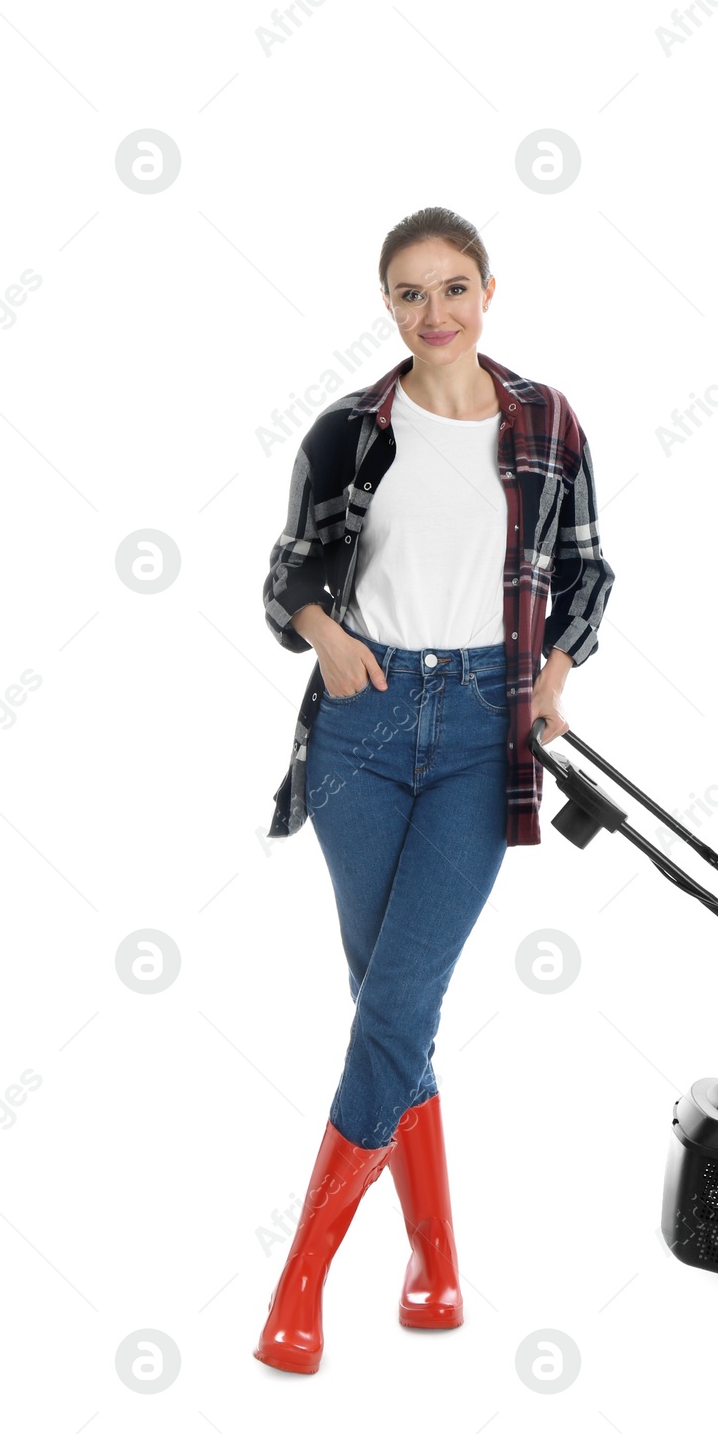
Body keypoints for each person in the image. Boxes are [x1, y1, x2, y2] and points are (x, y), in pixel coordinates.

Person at [254, 206, 615, 1373]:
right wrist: (322, 631)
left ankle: (302, 1274)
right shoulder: (346, 431)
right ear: (390, 306)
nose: (435, 313)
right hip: (359, 728)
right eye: (411, 294)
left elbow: (587, 570)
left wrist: (556, 671)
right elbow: (289, 571)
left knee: (398, 996)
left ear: (489, 292)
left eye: (454, 288)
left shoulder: (546, 421)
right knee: (388, 1001)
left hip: (479, 730)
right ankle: (436, 1260)